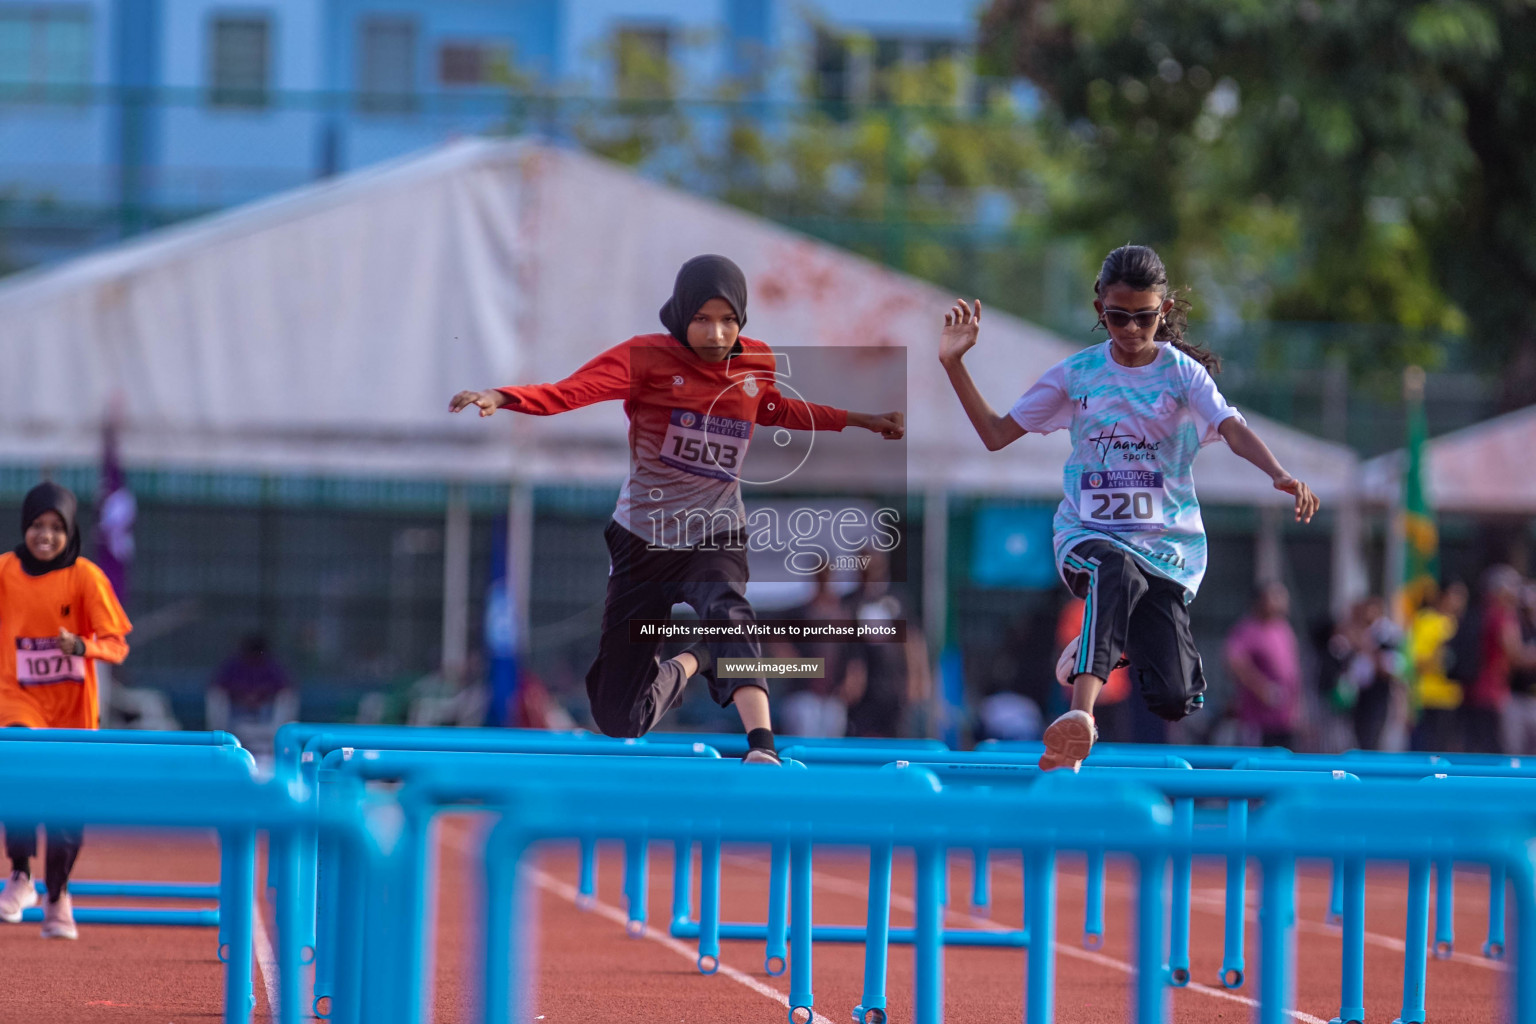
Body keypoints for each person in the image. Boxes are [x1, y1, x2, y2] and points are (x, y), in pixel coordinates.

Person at [450, 254, 904, 763]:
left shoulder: (755, 362)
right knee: (619, 717)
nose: (716, 333)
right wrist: (504, 396)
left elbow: (778, 408)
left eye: (729, 320)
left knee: (728, 611)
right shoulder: (646, 358)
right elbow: (574, 391)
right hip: (642, 541)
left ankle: (762, 744)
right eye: (703, 320)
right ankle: (697, 659)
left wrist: (860, 420)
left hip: (715, 532)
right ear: (681, 314)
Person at [939, 244, 1319, 770]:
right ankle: (1081, 717)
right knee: (1113, 569)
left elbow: (1231, 427)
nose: (1132, 330)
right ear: (1100, 310)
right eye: (1118, 317)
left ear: (1162, 312)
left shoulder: (1183, 375)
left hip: (1166, 552)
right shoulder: (1078, 375)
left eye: (1144, 317)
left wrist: (1278, 472)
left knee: (1174, 697)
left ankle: (1102, 643)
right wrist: (954, 364)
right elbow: (996, 433)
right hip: (1086, 537)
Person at [0, 483, 132, 939]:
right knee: (16, 767)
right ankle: (20, 874)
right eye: (38, 525)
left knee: (65, 807)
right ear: (25, 527)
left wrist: (82, 646)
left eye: (57, 528)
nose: (46, 536)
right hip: (17, 698)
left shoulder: (86, 578)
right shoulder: (4, 571)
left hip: (73, 709)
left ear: (70, 531)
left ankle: (58, 892)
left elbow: (117, 645)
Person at [1224, 581, 1303, 748]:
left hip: (1286, 719)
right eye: (1276, 597)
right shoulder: (1247, 630)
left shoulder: (1284, 628)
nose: (1282, 601)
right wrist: (1263, 689)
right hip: (1259, 722)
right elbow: (1234, 663)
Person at [1467, 566, 1536, 753]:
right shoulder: (1503, 615)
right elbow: (1515, 655)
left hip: (1481, 692)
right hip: (1494, 694)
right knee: (1499, 755)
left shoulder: (1485, 612)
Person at [207, 634, 298, 759]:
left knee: (287, 697)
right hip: (237, 714)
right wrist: (244, 696)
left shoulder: (271, 667)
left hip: (266, 713)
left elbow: (285, 688)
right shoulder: (234, 665)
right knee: (216, 695)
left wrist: (260, 696)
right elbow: (219, 686)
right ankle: (221, 739)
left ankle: (277, 737)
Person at [1408, 581, 1467, 752]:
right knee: (1428, 749)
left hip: (1454, 696)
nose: (1460, 601)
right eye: (1455, 595)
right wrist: (1441, 652)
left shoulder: (1460, 624)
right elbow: (1417, 661)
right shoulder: (1426, 620)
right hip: (1429, 696)